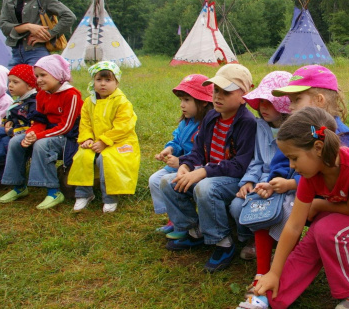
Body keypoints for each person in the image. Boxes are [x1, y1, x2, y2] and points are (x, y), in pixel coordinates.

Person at [247, 107, 349, 309]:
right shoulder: (309, 175)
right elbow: (294, 226)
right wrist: (274, 272)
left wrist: (319, 204)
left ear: (318, 148)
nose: (291, 166)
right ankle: (270, 294)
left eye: (294, 158)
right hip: (340, 206)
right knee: (310, 242)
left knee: (326, 230)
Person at [159, 64, 257, 273]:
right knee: (168, 181)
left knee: (205, 187)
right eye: (215, 91)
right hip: (211, 172)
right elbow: (197, 152)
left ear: (244, 95)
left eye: (226, 92)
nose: (218, 97)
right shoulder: (211, 117)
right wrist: (186, 165)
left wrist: (204, 171)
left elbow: (241, 165)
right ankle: (194, 231)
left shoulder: (247, 123)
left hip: (234, 179)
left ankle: (223, 242)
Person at [228, 71, 292, 277]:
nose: (262, 107)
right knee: (237, 205)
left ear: (283, 103)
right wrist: (248, 181)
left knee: (281, 211)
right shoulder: (260, 126)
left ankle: (280, 250)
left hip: (286, 183)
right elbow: (257, 160)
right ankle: (253, 240)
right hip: (261, 182)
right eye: (260, 102)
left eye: (269, 102)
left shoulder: (296, 129)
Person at [0, 55, 83, 210]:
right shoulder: (41, 94)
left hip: (69, 137)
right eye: (37, 76)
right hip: (48, 133)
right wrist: (31, 133)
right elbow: (39, 121)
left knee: (42, 144)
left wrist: (37, 136)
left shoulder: (72, 95)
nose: (38, 80)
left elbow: (66, 127)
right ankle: (18, 186)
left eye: (44, 75)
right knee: (16, 141)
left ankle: (53, 191)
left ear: (58, 75)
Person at [67, 61, 140, 213]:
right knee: (83, 156)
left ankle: (110, 197)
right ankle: (83, 194)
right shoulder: (89, 102)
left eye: (108, 80)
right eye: (99, 80)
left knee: (106, 159)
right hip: (95, 141)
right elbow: (85, 123)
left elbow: (123, 127)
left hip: (120, 141)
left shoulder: (122, 102)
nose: (103, 84)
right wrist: (86, 138)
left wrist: (104, 141)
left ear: (116, 82)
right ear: (93, 81)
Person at [150, 74, 213, 233]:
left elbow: (202, 153)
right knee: (154, 180)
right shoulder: (186, 121)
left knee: (166, 181)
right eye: (181, 100)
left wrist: (180, 161)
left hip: (194, 168)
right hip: (180, 165)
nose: (182, 105)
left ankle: (186, 222)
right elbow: (177, 140)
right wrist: (169, 149)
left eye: (187, 100)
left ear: (203, 101)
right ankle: (174, 217)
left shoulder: (206, 124)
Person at [272, 64, 349, 148]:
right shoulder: (300, 128)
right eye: (291, 101)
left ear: (319, 100)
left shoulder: (341, 136)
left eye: (297, 100)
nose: (290, 107)